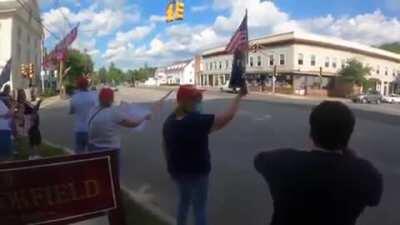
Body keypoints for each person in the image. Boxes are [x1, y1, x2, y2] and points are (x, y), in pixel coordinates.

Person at [254, 101, 383, 225]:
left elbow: (259, 159)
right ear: (349, 135)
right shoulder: (365, 173)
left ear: (311, 132)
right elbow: (374, 199)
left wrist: (303, 153)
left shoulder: (284, 161)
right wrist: (351, 156)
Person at [163, 85, 247, 225]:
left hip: (177, 171)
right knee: (199, 208)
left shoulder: (170, 121)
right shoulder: (195, 121)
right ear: (184, 101)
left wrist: (170, 167)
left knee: (183, 203)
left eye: (199, 98)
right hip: (198, 172)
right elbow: (226, 118)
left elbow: (164, 145)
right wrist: (238, 97)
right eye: (196, 99)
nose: (199, 102)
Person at [70, 77, 97, 153]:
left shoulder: (74, 97)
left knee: (79, 154)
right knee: (92, 153)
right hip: (91, 129)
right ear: (87, 85)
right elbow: (97, 108)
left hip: (79, 130)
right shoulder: (93, 96)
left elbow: (72, 111)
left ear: (78, 86)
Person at [15, 89, 42, 159]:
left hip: (34, 124)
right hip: (29, 124)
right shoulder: (19, 104)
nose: (23, 95)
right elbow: (18, 115)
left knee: (36, 140)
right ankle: (33, 156)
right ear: (19, 96)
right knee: (33, 139)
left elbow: (35, 109)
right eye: (21, 94)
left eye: (23, 93)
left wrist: (38, 103)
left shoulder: (27, 102)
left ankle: (34, 156)